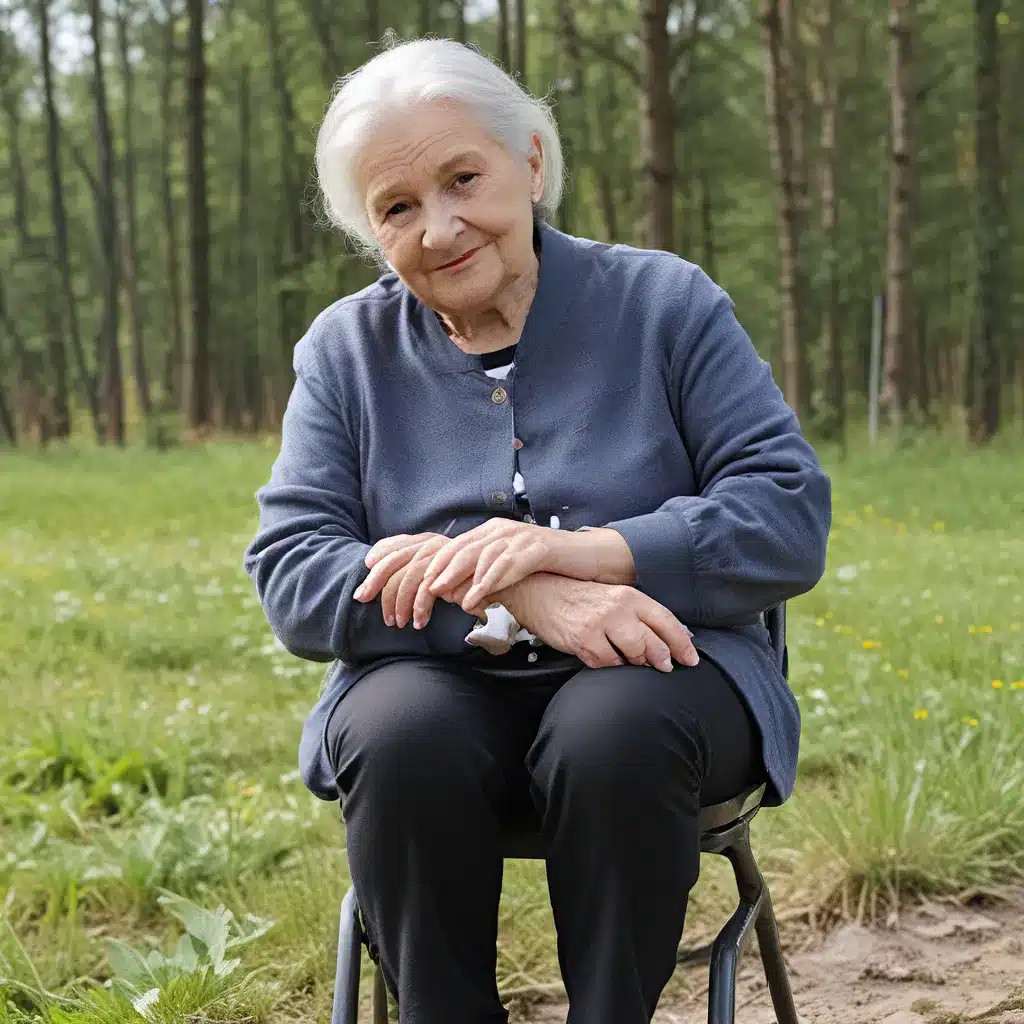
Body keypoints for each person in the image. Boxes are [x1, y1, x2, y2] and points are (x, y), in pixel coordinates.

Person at [243, 36, 831, 1024]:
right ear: (372, 235)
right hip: (434, 686)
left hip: (661, 682)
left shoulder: (666, 305)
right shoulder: (346, 352)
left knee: (613, 731)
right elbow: (296, 571)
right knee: (398, 736)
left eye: (462, 177)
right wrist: (516, 593)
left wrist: (581, 553)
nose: (438, 227)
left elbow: (784, 512)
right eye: (396, 207)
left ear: (528, 160)